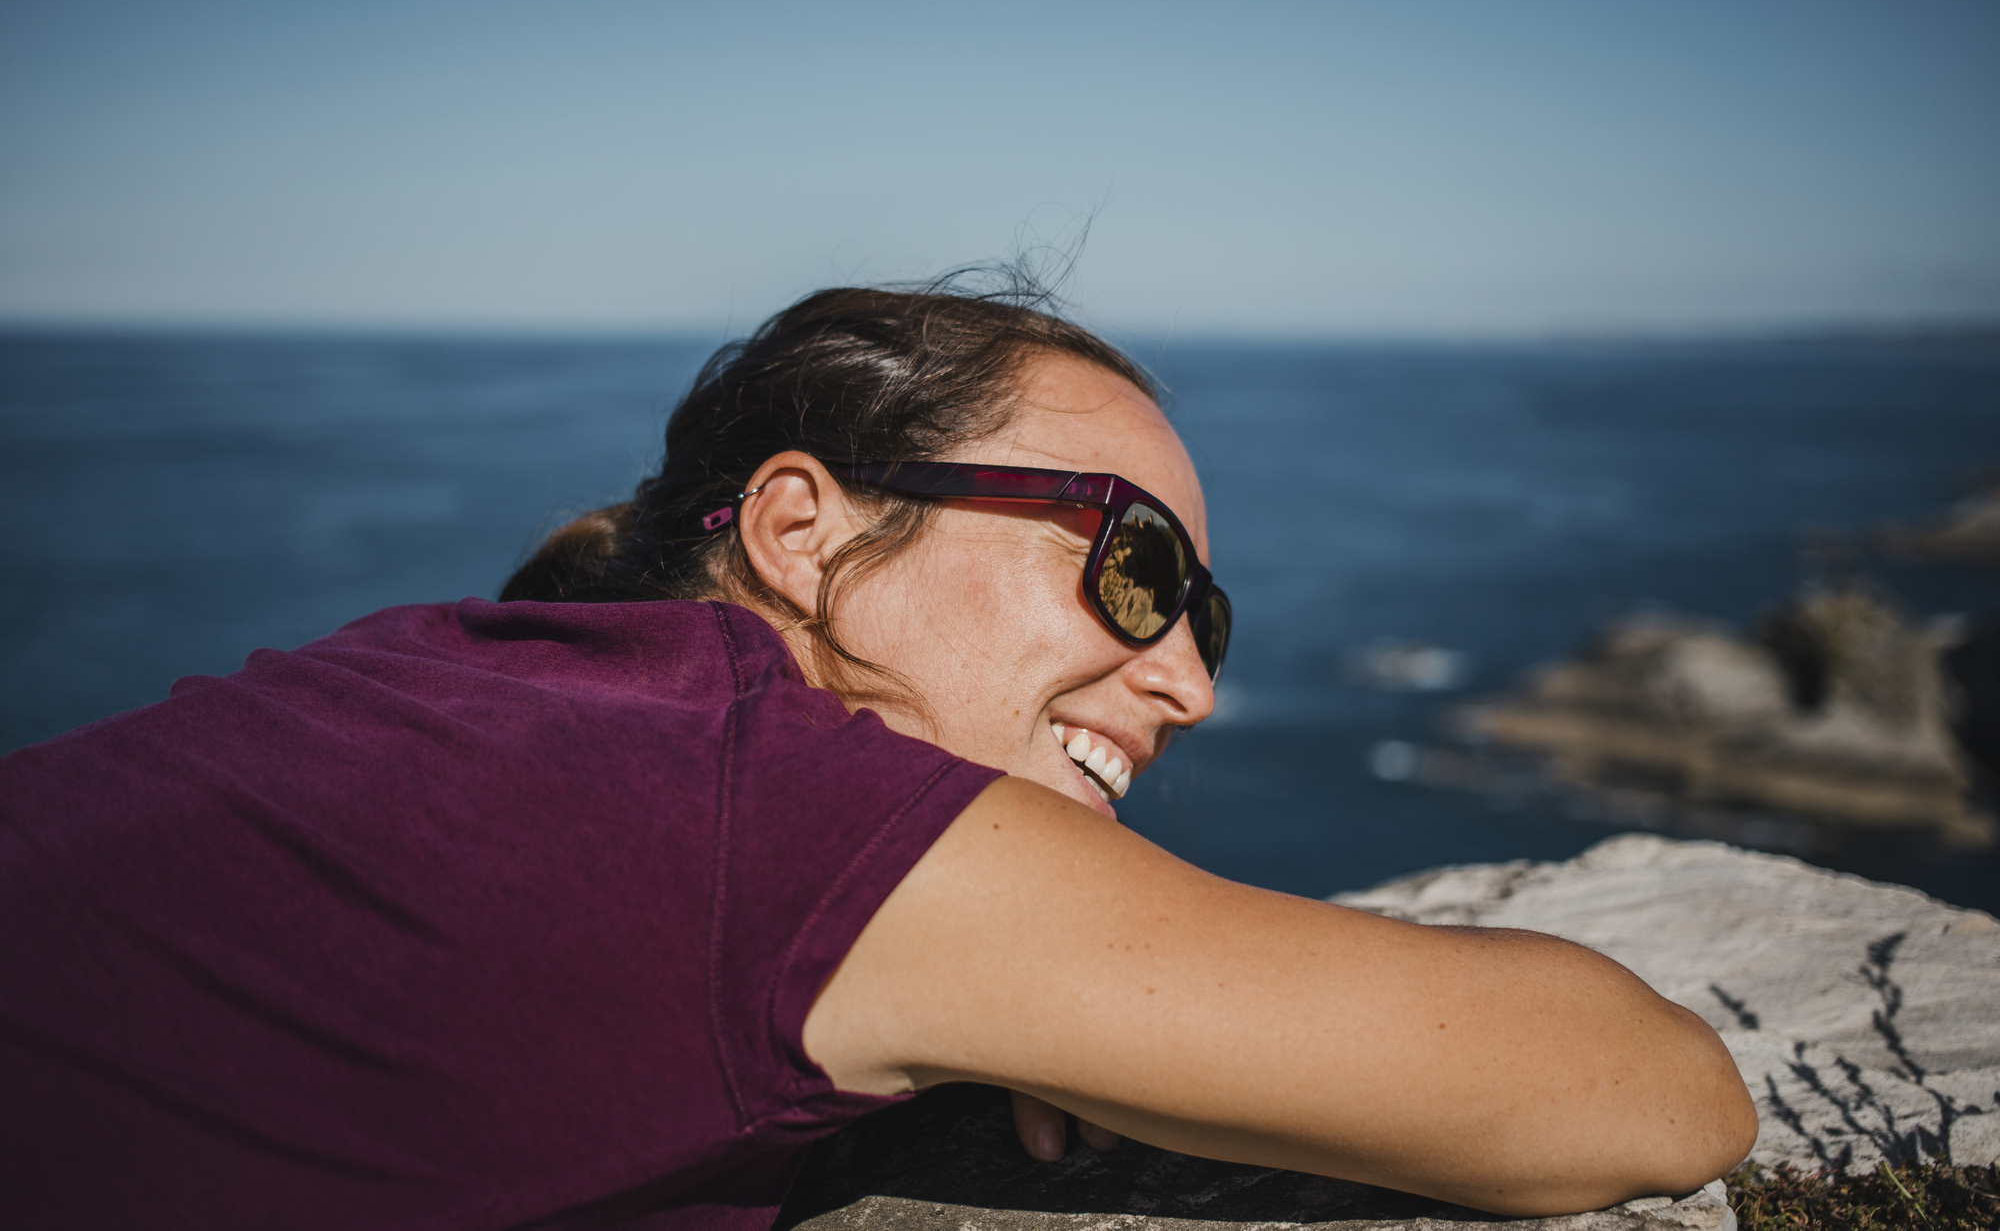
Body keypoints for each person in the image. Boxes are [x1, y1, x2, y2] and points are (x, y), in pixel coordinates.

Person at [0, 280, 1757, 1229]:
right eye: (1133, 565)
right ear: (800, 527)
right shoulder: (759, 813)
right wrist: (1053, 976)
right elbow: (1648, 1091)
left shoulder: (476, 678)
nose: (1185, 681)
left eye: (1203, 618)